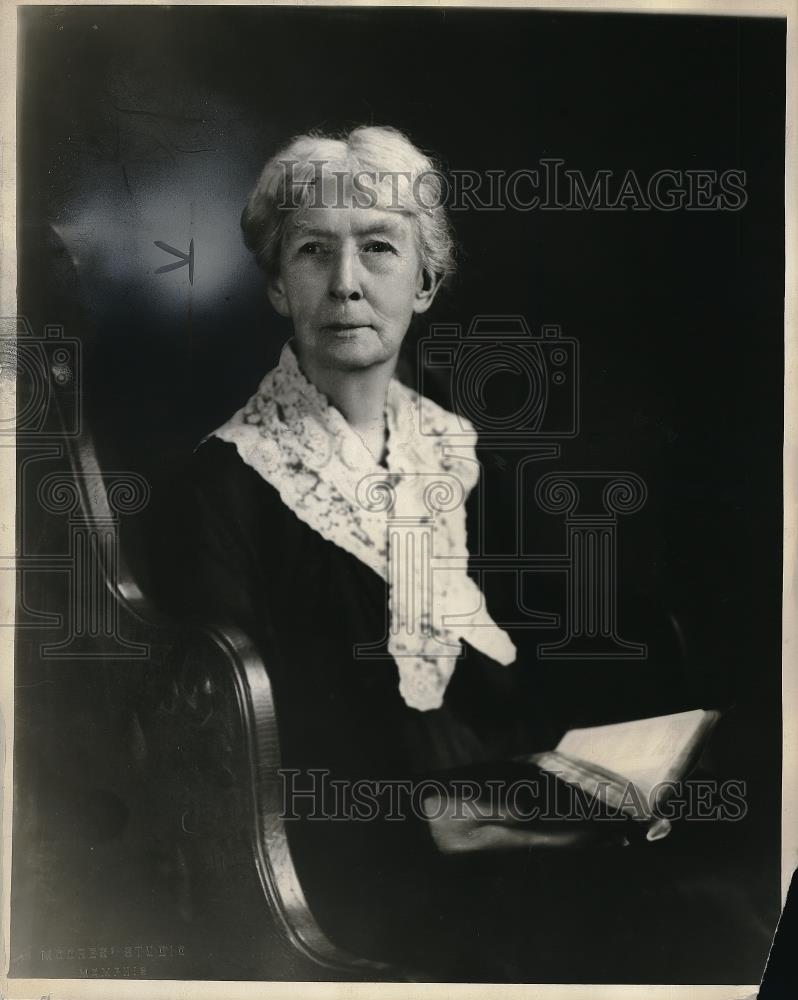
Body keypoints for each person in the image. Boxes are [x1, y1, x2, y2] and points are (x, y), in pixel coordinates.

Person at [188, 126, 757, 982]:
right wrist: (437, 813)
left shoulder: (457, 447)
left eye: (379, 248)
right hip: (354, 870)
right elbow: (231, 759)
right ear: (276, 283)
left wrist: (606, 770)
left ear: (425, 281)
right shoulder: (222, 487)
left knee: (733, 892)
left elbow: (570, 651)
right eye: (313, 252)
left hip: (519, 821)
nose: (346, 283)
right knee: (683, 923)